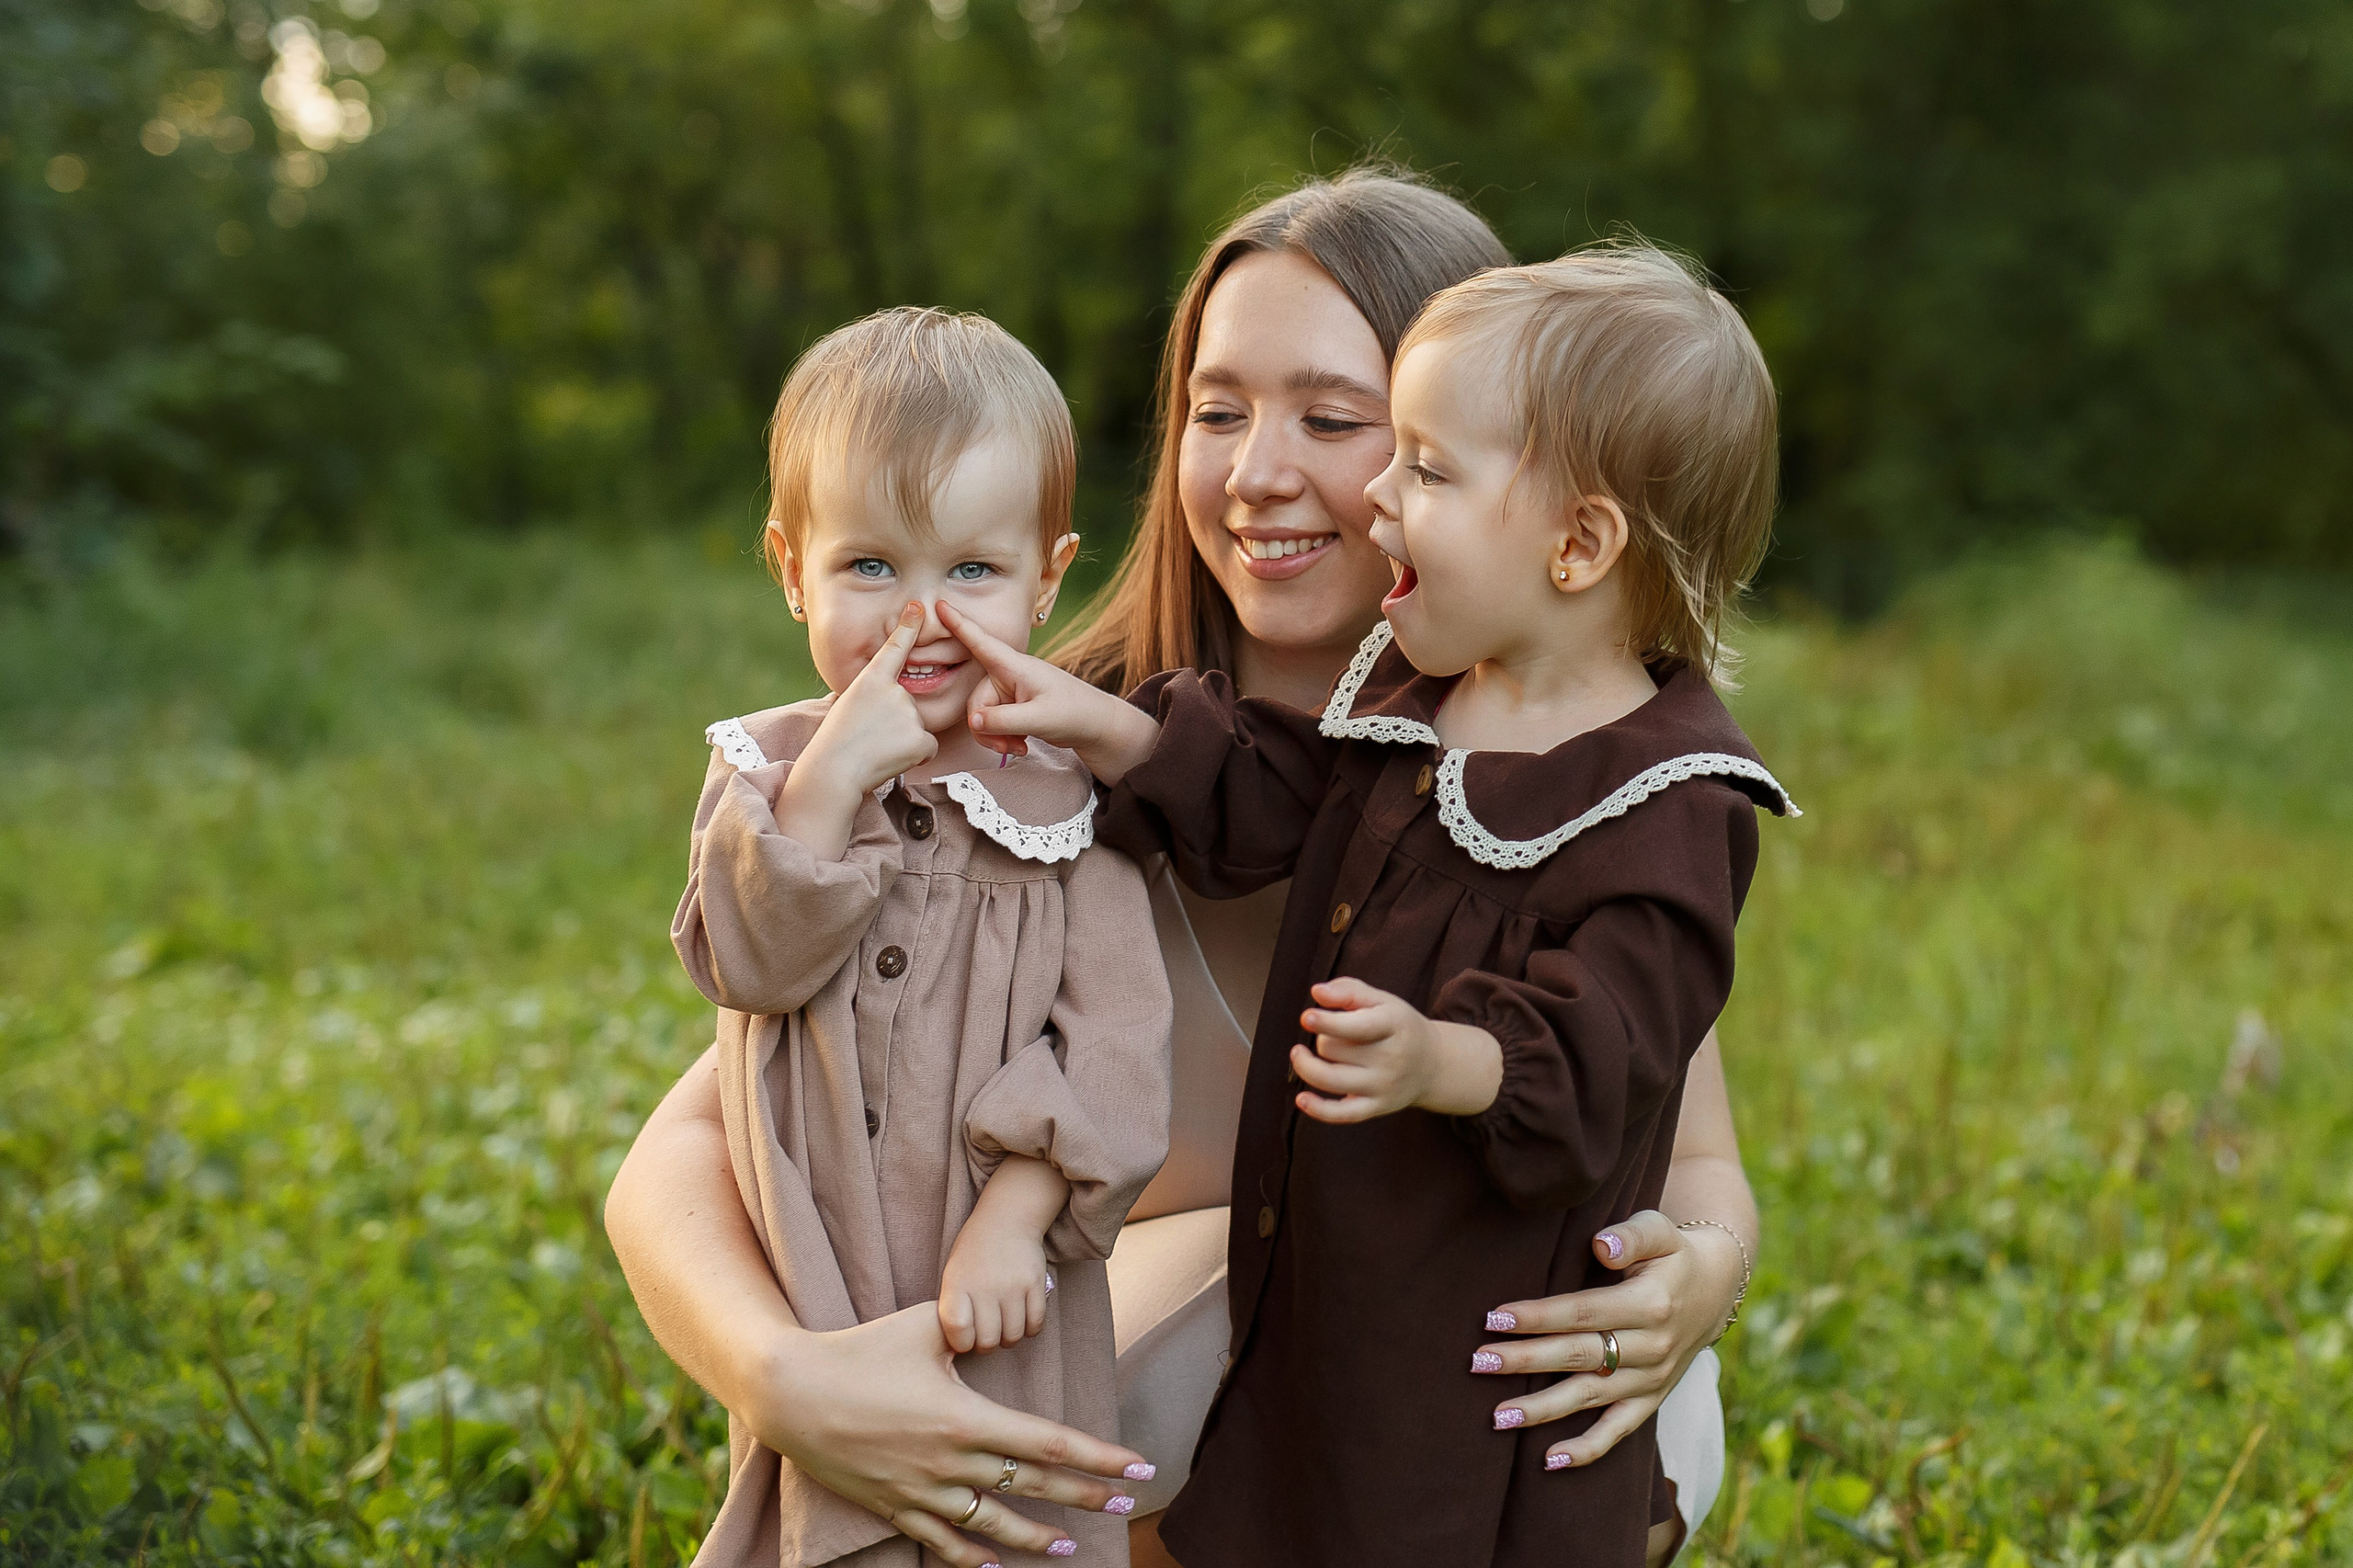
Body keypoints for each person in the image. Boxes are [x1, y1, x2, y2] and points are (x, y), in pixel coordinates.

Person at [606, 169, 1760, 1568]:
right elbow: (693, 1139)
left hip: (1421, 1402)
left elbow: (1691, 1147)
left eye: (1335, 420)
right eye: (1218, 412)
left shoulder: (1556, 793)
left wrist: (1700, 1276)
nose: (1258, 471)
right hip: (1071, 1391)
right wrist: (785, 1380)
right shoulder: (1044, 751)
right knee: (1219, 1308)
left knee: (1650, 1399)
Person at [947, 239, 1792, 1566]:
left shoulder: (1656, 801)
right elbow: (1270, 787)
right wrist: (1109, 730)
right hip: (1311, 1307)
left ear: (1577, 543)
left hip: (1465, 1327)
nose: (1377, 489)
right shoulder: (1415, 702)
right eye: (1218, 410)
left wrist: (1449, 1064)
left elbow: (1615, 1050)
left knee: (1445, 1506)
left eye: (1405, 453)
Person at [671, 307, 1173, 1566]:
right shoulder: (768, 777)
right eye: (870, 567)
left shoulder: (1074, 802)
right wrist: (831, 783)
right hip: (820, 1263)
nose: (922, 615)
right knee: (830, 1513)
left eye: (973, 571)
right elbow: (751, 967)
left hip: (999, 1286)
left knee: (1001, 1521)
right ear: (791, 566)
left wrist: (1020, 1210)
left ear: (1048, 576)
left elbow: (1119, 1043)